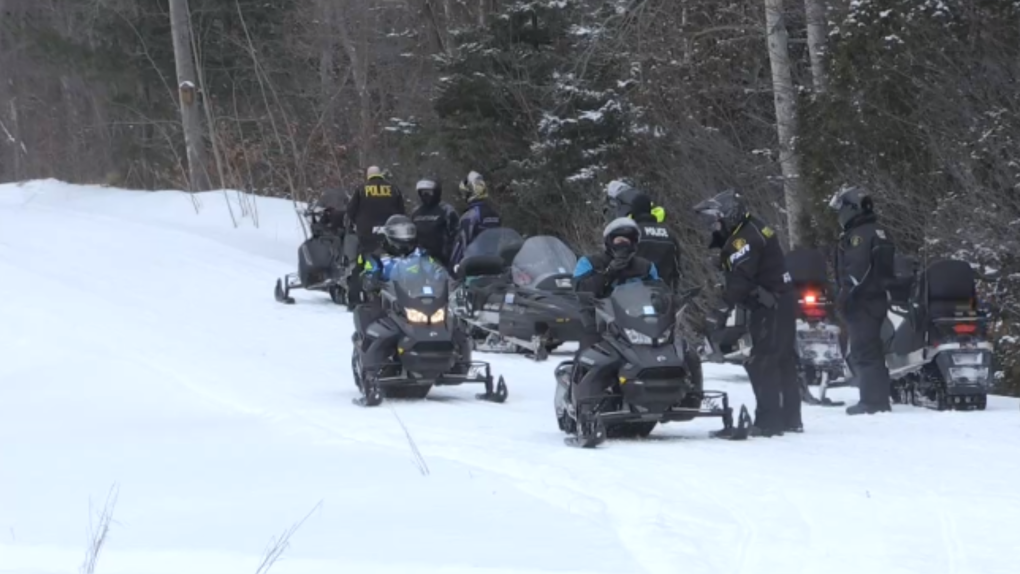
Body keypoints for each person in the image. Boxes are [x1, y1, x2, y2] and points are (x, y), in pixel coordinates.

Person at [693, 189, 801, 436]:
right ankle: (790, 418)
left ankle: (768, 422)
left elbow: (740, 282)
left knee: (762, 361)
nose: (714, 227)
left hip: (770, 304)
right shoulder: (755, 226)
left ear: (729, 215)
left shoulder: (743, 239)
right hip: (780, 299)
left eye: (716, 221)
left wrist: (719, 312)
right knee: (782, 359)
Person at [829, 185, 895, 416]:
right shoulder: (878, 231)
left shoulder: (859, 235)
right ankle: (879, 397)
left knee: (864, 350)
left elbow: (857, 269)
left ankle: (872, 402)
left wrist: (845, 295)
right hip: (878, 298)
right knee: (873, 350)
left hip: (863, 300)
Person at [344, 166, 406, 309]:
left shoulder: (361, 189)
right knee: (395, 263)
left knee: (360, 264)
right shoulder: (393, 189)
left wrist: (355, 224)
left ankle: (354, 300)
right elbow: (401, 212)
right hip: (391, 235)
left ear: (368, 175)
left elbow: (351, 211)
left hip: (367, 235)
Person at [626, 192, 681, 290]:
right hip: (663, 293)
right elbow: (677, 268)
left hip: (636, 293)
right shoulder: (669, 234)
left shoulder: (631, 233)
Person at [449, 171, 502, 266]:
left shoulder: (469, 216)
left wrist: (453, 267)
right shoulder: (494, 214)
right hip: (495, 264)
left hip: (475, 266)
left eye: (465, 192)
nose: (463, 196)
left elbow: (462, 245)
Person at [410, 178, 459, 268]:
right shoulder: (416, 212)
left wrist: (451, 256)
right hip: (420, 260)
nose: (426, 195)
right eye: (423, 192)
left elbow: (456, 236)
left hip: (443, 261)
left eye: (429, 192)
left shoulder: (447, 211)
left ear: (436, 192)